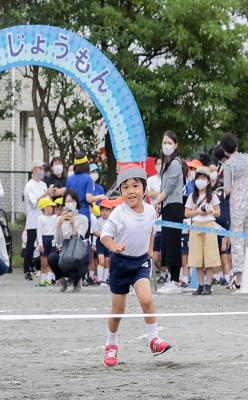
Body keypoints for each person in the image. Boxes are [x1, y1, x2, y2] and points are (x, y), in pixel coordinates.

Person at [100, 165, 171, 367]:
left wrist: (149, 249)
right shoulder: (118, 213)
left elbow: (151, 230)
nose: (131, 191)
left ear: (144, 189)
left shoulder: (150, 211)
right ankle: (111, 345)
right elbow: (105, 236)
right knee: (118, 310)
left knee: (147, 300)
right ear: (121, 191)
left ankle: (154, 340)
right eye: (126, 187)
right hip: (120, 264)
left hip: (140, 262)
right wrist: (115, 246)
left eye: (135, 186)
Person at [220, 133, 248, 286]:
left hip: (236, 205)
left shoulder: (228, 164)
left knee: (237, 240)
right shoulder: (247, 159)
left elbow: (227, 189)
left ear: (224, 150)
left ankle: (240, 277)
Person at [154, 131, 185, 295]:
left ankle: (175, 280)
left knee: (173, 244)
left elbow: (169, 187)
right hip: (167, 206)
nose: (166, 145)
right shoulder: (167, 164)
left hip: (174, 207)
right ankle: (171, 279)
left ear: (176, 145)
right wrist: (160, 203)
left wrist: (157, 200)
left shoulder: (175, 163)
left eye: (169, 143)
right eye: (164, 142)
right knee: (167, 243)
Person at [184, 166, 221, 295]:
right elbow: (187, 213)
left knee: (210, 257)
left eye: (203, 178)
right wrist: (198, 211)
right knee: (197, 257)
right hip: (196, 225)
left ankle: (208, 285)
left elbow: (218, 213)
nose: (201, 180)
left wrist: (211, 210)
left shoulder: (213, 196)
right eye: (199, 178)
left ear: (208, 181)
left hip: (209, 225)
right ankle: (200, 285)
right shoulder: (191, 196)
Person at [48, 190, 90, 292]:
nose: (70, 203)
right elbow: (57, 242)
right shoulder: (60, 219)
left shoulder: (83, 218)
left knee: (75, 261)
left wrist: (72, 224)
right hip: (64, 249)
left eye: (72, 201)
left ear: (77, 202)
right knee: (52, 257)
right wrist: (59, 225)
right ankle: (62, 281)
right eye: (67, 201)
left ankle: (77, 280)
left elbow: (79, 238)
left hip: (76, 249)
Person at [23, 161, 50, 281]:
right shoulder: (29, 185)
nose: (41, 170)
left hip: (44, 219)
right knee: (30, 244)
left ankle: (41, 267)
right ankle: (26, 269)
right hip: (33, 219)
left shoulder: (43, 184)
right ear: (34, 170)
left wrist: (48, 194)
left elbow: (48, 201)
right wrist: (45, 194)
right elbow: (34, 203)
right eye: (39, 168)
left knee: (43, 242)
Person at [66, 153, 105, 225]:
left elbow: (66, 198)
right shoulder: (88, 178)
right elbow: (89, 199)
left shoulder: (69, 179)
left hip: (71, 214)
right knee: (85, 236)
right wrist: (101, 196)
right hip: (84, 214)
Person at [94, 199, 116, 287]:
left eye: (107, 210)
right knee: (101, 261)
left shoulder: (112, 222)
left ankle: (104, 280)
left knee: (107, 262)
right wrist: (103, 235)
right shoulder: (98, 220)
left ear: (111, 211)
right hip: (100, 242)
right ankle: (99, 280)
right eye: (102, 210)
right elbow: (95, 232)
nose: (104, 212)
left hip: (109, 242)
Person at [36, 197, 56, 287]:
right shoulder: (40, 218)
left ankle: (49, 279)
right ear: (44, 207)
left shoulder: (54, 218)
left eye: (52, 207)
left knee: (51, 261)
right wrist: (40, 244)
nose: (52, 208)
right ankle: (42, 280)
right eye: (50, 206)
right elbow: (39, 232)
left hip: (52, 239)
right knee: (44, 261)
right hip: (44, 239)